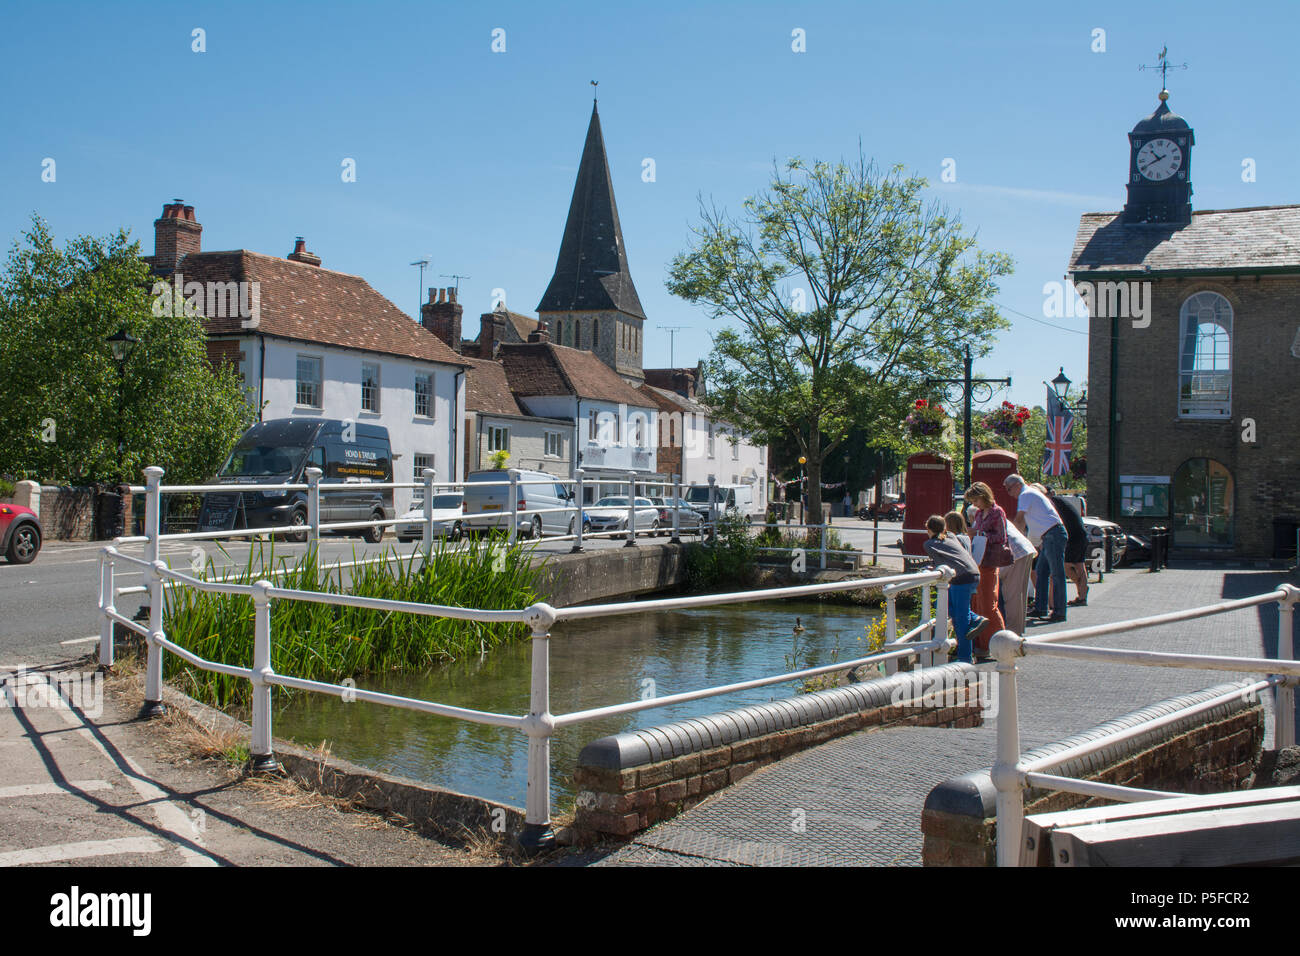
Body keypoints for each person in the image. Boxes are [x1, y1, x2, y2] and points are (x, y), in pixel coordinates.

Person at [1005, 473, 1067, 623]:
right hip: (1049, 535)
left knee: (1056, 574)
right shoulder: (1031, 493)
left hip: (1052, 535)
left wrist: (1013, 539)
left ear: (1018, 485)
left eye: (1009, 489)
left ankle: (1059, 611)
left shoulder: (1025, 494)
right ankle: (1041, 607)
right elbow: (1036, 520)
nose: (1009, 493)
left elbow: (1020, 520)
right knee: (1041, 571)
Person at [922, 514, 983, 663]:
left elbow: (940, 561)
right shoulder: (951, 536)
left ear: (929, 529)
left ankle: (965, 657)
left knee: (961, 621)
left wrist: (933, 569)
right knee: (952, 609)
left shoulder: (930, 544)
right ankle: (975, 618)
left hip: (960, 578)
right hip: (973, 573)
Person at [963, 482, 1009, 643]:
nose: (974, 505)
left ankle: (1002, 642)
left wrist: (979, 533)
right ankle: (982, 643)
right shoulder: (979, 514)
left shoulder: (997, 512)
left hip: (989, 561)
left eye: (976, 500)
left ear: (983, 496)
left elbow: (1001, 538)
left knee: (989, 604)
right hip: (979, 560)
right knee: (978, 603)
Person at [1040, 485, 1089, 606]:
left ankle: (1080, 589)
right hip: (1081, 534)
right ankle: (1082, 595)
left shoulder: (1052, 503)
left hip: (1073, 536)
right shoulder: (1061, 501)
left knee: (1065, 565)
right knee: (1079, 565)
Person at [999, 519, 1037, 634]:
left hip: (1015, 553)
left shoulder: (981, 520)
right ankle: (1017, 630)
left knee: (1012, 595)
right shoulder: (999, 516)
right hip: (1024, 549)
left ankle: (1012, 632)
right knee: (1019, 594)